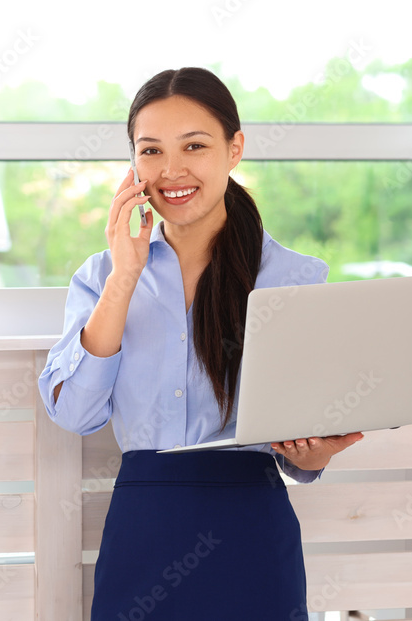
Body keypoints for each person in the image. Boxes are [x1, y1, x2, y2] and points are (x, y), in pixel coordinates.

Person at [37, 67, 365, 619]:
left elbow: (304, 443)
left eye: (194, 145)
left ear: (234, 149)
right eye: (151, 151)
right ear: (132, 165)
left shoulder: (294, 278)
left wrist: (313, 454)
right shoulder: (101, 277)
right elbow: (74, 413)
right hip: (142, 531)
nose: (171, 170)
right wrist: (124, 276)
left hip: (253, 535)